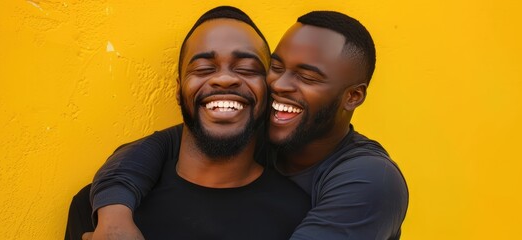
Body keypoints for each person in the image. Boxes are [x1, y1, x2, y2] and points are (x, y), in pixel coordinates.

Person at [89, 10, 409, 240]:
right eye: (277, 67)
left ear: (352, 96)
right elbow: (158, 145)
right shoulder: (272, 131)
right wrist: (114, 212)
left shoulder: (369, 181)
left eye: (307, 77)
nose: (281, 85)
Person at [64, 6, 311, 240]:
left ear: (269, 91)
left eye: (246, 69)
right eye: (203, 68)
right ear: (179, 90)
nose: (224, 79)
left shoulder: (303, 216)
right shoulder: (97, 210)